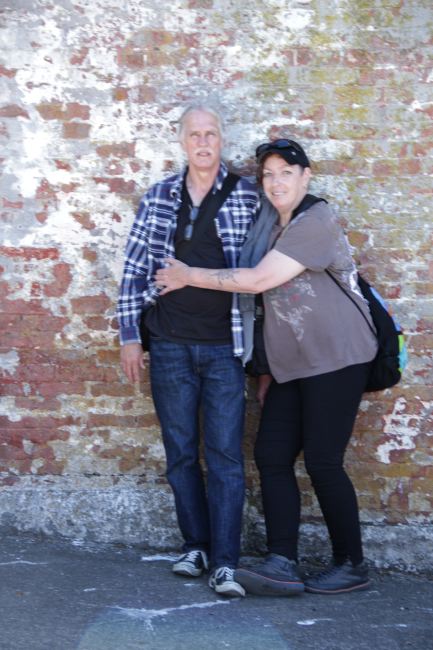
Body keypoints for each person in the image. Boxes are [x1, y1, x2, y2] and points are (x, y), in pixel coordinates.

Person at [155, 138, 378, 596]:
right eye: (269, 175)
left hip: (337, 358)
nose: (276, 182)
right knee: (272, 456)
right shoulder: (268, 224)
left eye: (286, 173)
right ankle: (282, 562)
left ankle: (351, 564)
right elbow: (268, 310)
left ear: (306, 177)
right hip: (289, 366)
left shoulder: (316, 221)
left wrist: (187, 275)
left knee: (323, 461)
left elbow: (257, 282)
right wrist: (265, 369)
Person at [116, 104, 258, 598]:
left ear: (222, 140)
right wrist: (130, 336)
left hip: (224, 348)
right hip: (170, 344)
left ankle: (225, 562)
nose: (203, 142)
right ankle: (195, 545)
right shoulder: (159, 197)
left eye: (210, 133)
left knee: (225, 456)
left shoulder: (246, 195)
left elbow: (262, 270)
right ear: (182, 141)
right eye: (194, 134)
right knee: (180, 453)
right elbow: (134, 266)